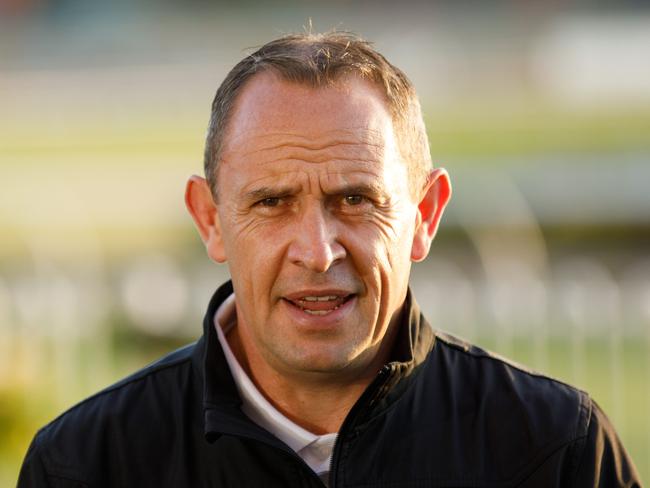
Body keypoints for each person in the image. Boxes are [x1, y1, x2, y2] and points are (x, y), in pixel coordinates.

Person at [18, 32, 639, 487]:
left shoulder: (558, 450)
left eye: (355, 199)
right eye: (271, 202)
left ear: (425, 215)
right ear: (210, 219)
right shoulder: (85, 465)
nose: (317, 252)